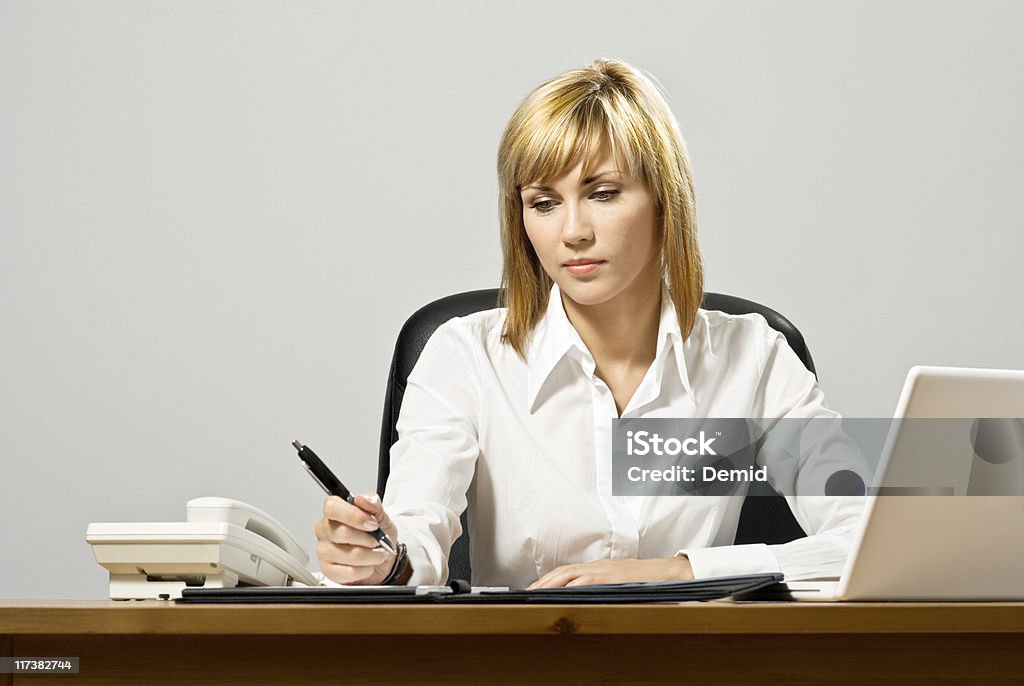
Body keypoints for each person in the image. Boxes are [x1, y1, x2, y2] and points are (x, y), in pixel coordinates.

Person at [313, 58, 868, 589]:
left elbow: (868, 535)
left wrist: (679, 569)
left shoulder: (755, 355)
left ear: (663, 200)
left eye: (603, 194)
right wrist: (379, 560)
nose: (573, 231)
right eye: (544, 202)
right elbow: (415, 539)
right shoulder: (465, 354)